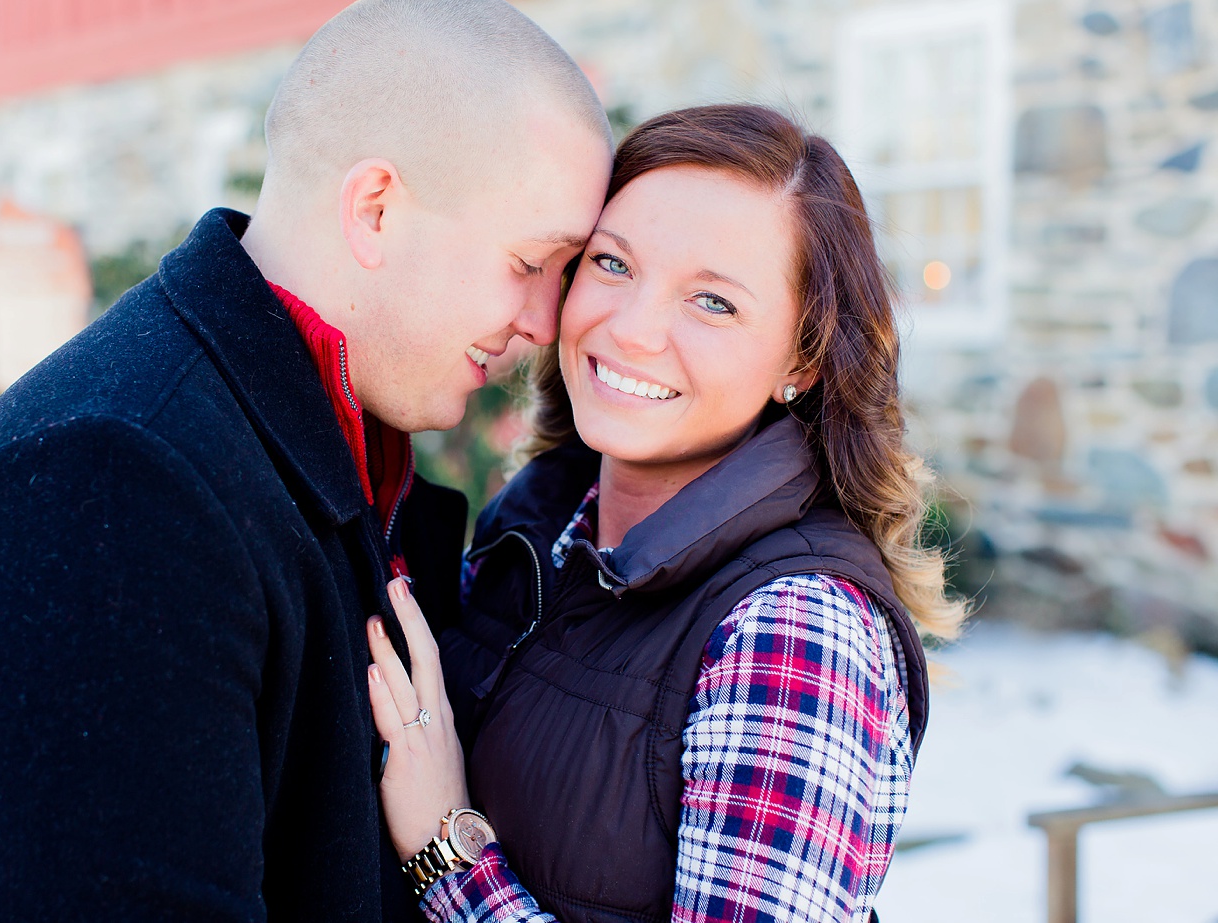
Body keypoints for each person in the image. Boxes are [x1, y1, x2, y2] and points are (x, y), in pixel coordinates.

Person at [0, 0, 613, 922]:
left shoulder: (343, 451)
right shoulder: (105, 482)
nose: (547, 323)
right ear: (377, 209)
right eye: (529, 264)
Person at [365, 105, 967, 923]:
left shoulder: (796, 630)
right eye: (612, 263)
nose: (634, 329)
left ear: (803, 358)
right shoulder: (540, 525)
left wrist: (447, 850)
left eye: (713, 302)